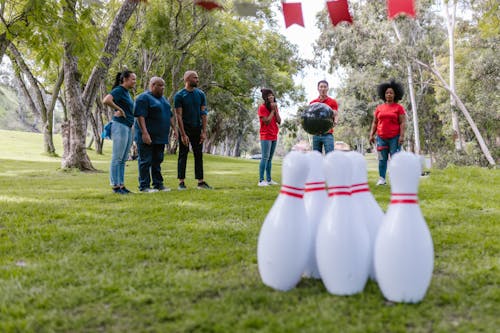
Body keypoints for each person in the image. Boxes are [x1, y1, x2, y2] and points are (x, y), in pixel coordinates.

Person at [134, 77, 176, 193]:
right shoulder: (143, 98)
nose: (163, 88)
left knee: (158, 161)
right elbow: (140, 116)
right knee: (145, 161)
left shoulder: (164, 100)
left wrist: (175, 129)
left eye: (163, 86)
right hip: (147, 136)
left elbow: (170, 115)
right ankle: (144, 186)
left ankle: (158, 184)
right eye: (160, 85)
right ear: (152, 85)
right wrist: (145, 132)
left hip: (160, 137)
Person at [174, 70, 212, 190]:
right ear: (187, 79)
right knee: (183, 154)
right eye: (195, 78)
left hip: (197, 128)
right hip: (185, 129)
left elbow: (204, 113)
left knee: (198, 155)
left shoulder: (201, 94)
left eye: (197, 77)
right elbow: (178, 116)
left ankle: (200, 182)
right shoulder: (179, 95)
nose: (197, 80)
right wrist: (183, 134)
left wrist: (204, 131)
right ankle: (181, 183)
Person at [102, 70, 136, 194]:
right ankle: (115, 186)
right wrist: (119, 109)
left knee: (123, 159)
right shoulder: (119, 90)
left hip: (127, 126)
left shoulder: (126, 93)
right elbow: (106, 100)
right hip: (119, 125)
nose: (134, 82)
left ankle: (121, 185)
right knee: (117, 157)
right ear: (125, 79)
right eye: (133, 79)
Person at [369, 79, 407, 185]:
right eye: (387, 93)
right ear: (384, 94)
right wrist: (371, 134)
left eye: (391, 93)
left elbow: (402, 122)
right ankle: (382, 179)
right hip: (381, 138)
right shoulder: (379, 108)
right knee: (382, 159)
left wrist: (401, 136)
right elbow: (375, 122)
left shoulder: (399, 108)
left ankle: (396, 179)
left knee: (395, 159)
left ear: (395, 94)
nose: (389, 94)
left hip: (395, 137)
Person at [257, 88, 281, 187]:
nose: (271, 97)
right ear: (265, 98)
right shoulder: (262, 108)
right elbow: (266, 121)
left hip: (274, 135)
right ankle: (261, 180)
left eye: (272, 95)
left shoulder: (275, 107)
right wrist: (272, 110)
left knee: (270, 159)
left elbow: (279, 121)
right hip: (265, 135)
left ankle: (269, 179)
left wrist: (275, 110)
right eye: (269, 95)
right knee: (265, 157)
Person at [309, 80, 339, 154]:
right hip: (316, 135)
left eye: (325, 87)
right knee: (316, 158)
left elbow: (335, 114)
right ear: (318, 88)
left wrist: (335, 121)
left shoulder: (332, 102)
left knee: (330, 157)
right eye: (321, 87)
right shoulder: (312, 103)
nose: (323, 89)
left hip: (328, 134)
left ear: (327, 88)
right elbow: (309, 117)